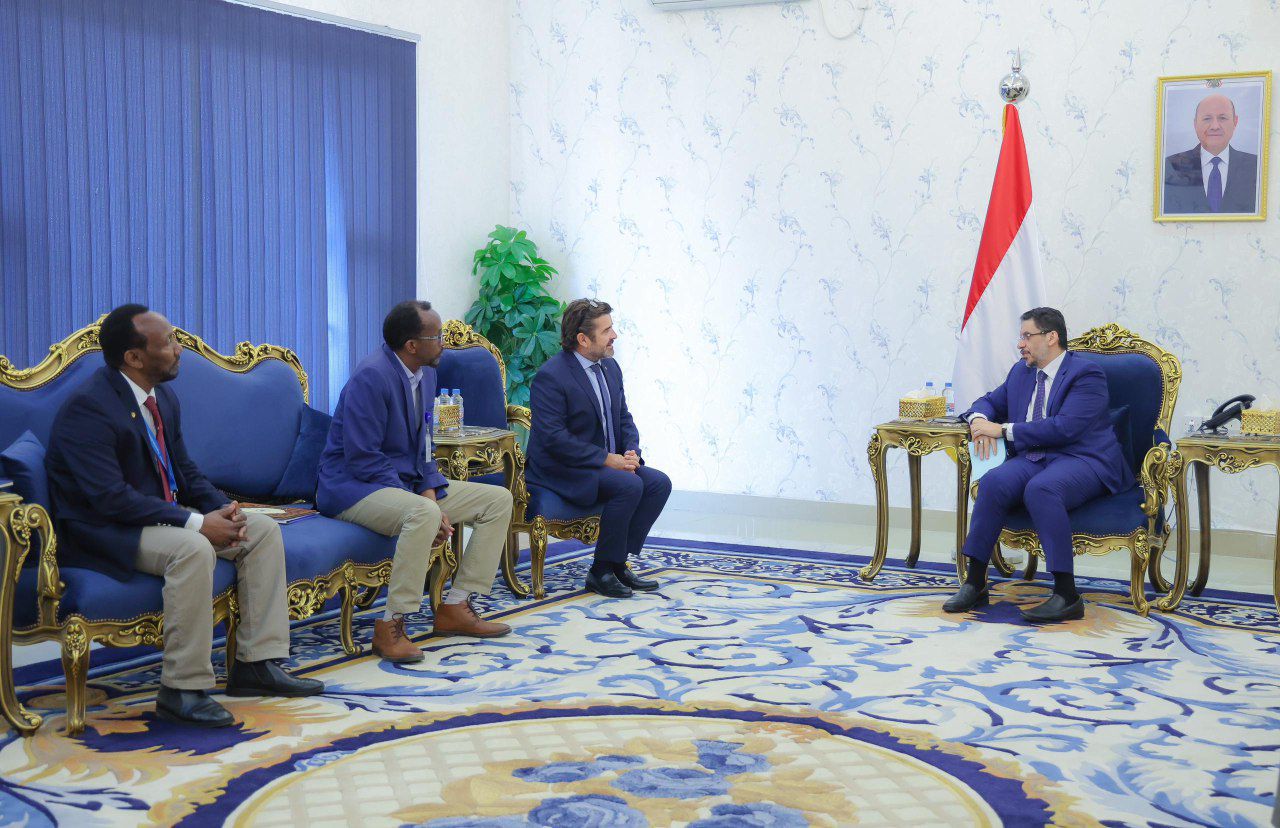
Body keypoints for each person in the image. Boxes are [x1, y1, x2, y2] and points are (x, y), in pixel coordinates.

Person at [44, 304, 322, 728]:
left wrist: (222, 508)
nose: (179, 350)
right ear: (134, 357)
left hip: (153, 516)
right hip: (104, 529)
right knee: (192, 548)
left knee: (261, 530)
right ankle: (182, 689)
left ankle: (256, 664)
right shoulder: (90, 408)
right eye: (169, 343)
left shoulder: (162, 397)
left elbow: (185, 471)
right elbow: (109, 499)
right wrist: (197, 523)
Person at [317, 300, 514, 663]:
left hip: (403, 484)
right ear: (411, 345)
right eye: (436, 337)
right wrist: (424, 505)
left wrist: (429, 493)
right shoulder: (371, 377)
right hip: (352, 488)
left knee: (497, 500)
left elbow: (425, 443)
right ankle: (390, 625)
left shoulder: (427, 373)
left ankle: (455, 607)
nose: (444, 343)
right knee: (423, 513)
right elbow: (363, 458)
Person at [945, 307, 1132, 623]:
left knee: (1042, 489)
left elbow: (1065, 428)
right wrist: (978, 421)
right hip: (1036, 456)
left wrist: (1001, 430)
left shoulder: (1086, 374)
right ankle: (975, 583)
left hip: (1083, 458)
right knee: (993, 482)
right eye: (1021, 337)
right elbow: (988, 402)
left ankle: (1067, 595)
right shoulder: (1021, 372)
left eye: (1026, 336)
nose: (1020, 344)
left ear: (1051, 337)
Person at [525, 299, 671, 598]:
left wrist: (631, 451)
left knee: (658, 483)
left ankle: (618, 563)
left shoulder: (610, 367)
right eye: (606, 331)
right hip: (564, 468)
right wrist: (606, 459)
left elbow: (623, 417)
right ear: (583, 339)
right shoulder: (551, 376)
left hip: (604, 463)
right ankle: (600, 571)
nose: (614, 335)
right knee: (629, 485)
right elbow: (554, 438)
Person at [1163, 92, 1259, 214]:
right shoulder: (1170, 166)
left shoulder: (1256, 166)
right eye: (1207, 118)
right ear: (1195, 124)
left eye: (1222, 118)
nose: (1215, 126)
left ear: (1235, 122)